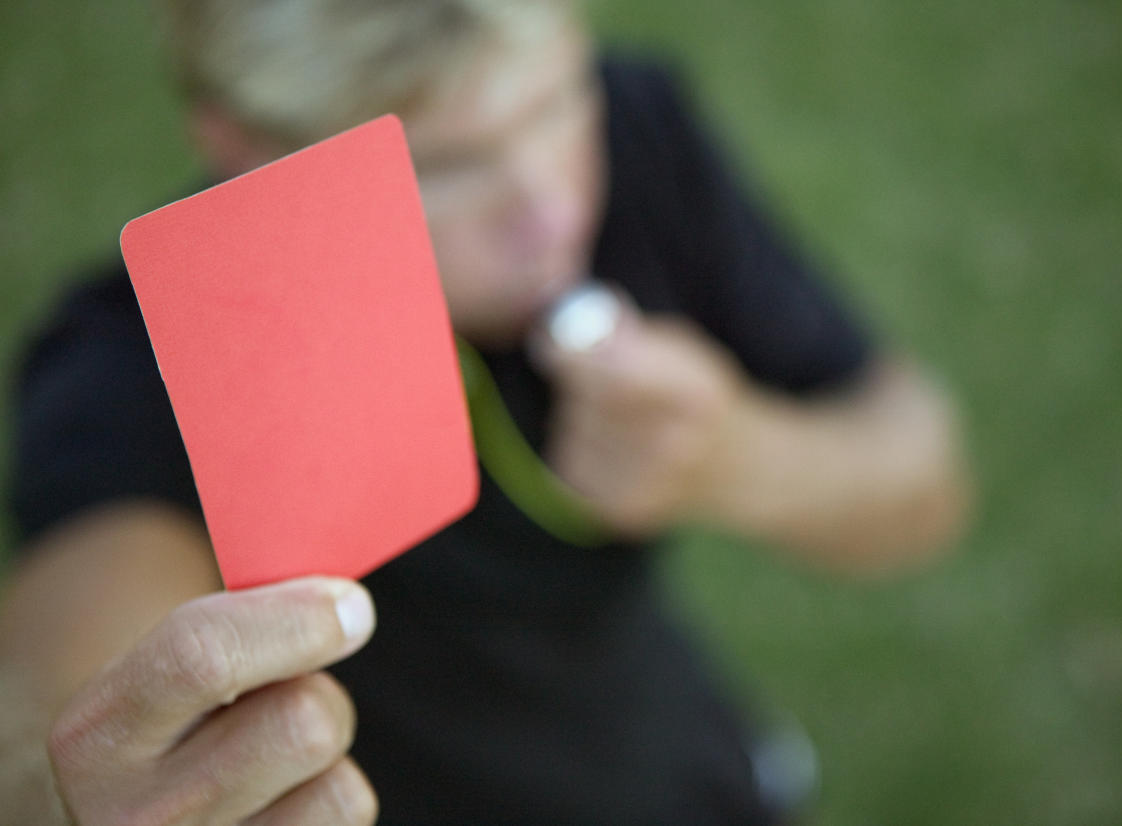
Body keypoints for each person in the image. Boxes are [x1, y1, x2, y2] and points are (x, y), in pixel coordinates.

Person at [0, 0, 972, 823]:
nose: (548, 208)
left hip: (680, 757)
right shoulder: (142, 358)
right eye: (447, 167)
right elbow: (62, 678)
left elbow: (923, 481)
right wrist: (70, 781)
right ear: (244, 150)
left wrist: (737, 460)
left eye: (557, 103)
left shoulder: (635, 131)